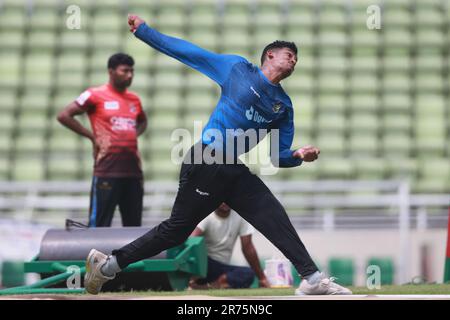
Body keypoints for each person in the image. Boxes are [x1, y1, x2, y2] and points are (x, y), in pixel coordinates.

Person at [84, 14, 352, 295]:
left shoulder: (283, 106)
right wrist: (145, 31)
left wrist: (298, 155)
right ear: (270, 55)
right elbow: (190, 53)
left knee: (271, 212)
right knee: (176, 230)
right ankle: (108, 266)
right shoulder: (237, 69)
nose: (294, 61)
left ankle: (311, 278)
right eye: (289, 55)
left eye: (297, 59)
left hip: (231, 170)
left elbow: (277, 156)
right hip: (206, 158)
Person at [57, 53, 147, 227]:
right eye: (125, 71)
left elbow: (143, 121)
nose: (130, 75)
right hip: (107, 170)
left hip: (133, 171)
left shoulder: (134, 100)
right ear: (111, 71)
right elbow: (64, 115)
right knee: (99, 226)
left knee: (134, 227)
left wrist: (131, 136)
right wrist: (92, 137)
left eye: (132, 71)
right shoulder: (94, 95)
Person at [188, 203, 270, 289]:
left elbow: (247, 247)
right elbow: (192, 241)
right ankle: (204, 284)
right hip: (205, 265)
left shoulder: (240, 216)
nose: (225, 202)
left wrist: (262, 278)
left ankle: (213, 285)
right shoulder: (207, 215)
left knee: (248, 273)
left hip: (222, 269)